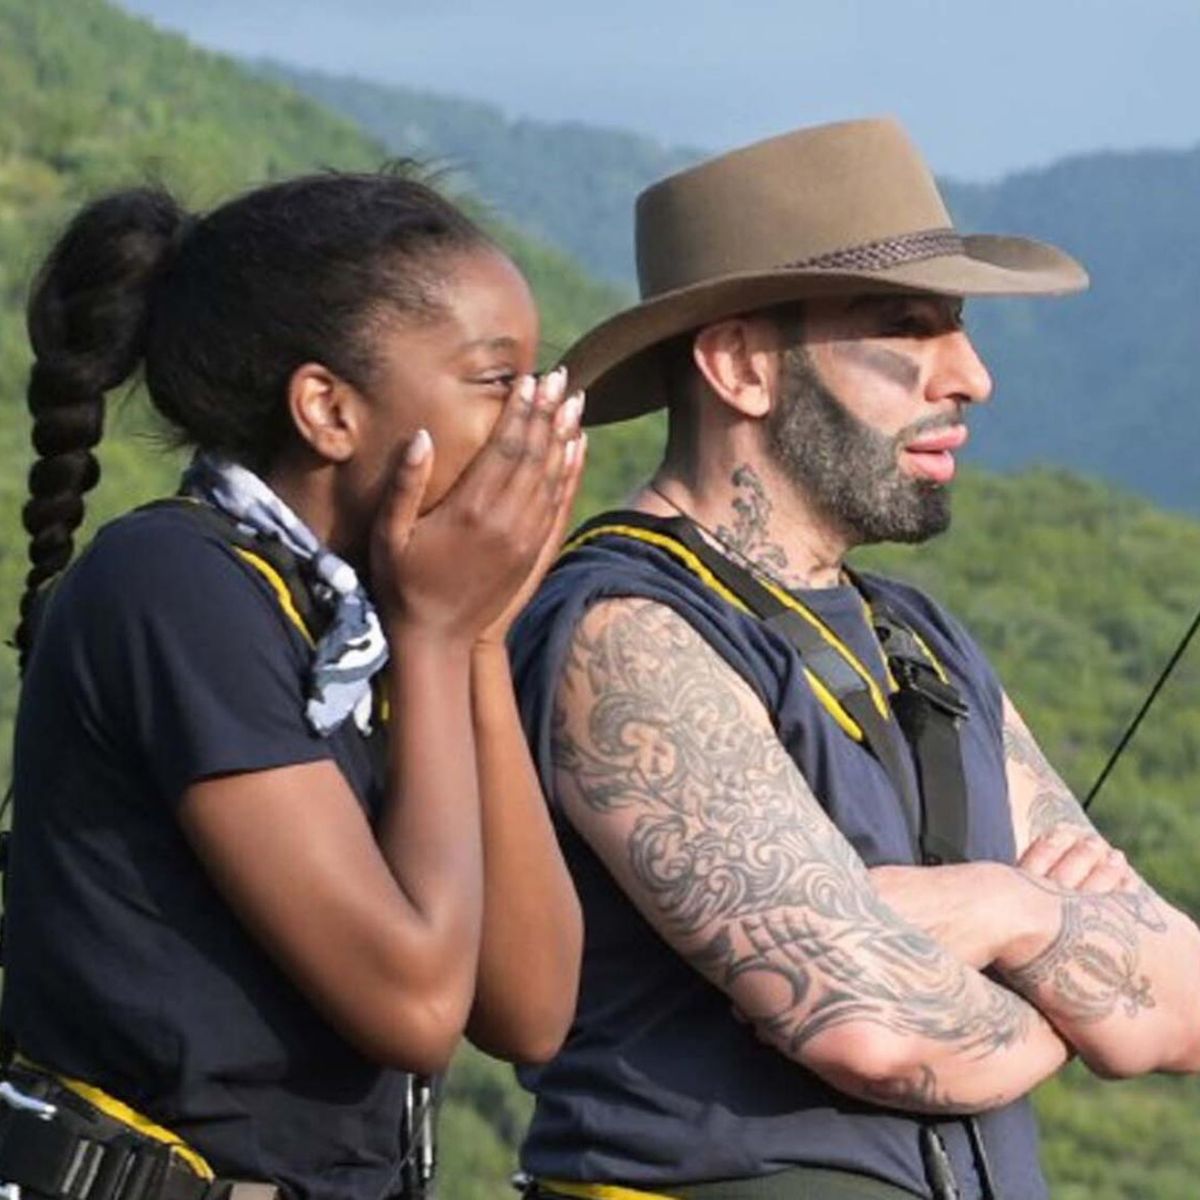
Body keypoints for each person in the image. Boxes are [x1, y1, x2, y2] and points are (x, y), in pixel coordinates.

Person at [508, 117, 1200, 1200]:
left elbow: (1187, 1002)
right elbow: (872, 1028)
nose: (970, 376)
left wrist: (1012, 911)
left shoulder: (920, 638)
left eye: (958, 328)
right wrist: (1070, 977)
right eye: (906, 328)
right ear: (739, 365)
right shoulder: (624, 629)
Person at [1, 168, 586, 1200]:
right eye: (496, 381)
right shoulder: (175, 587)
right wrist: (439, 637)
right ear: (327, 410)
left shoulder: (365, 624)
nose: (530, 422)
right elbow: (412, 1006)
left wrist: (480, 640)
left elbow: (529, 1008)